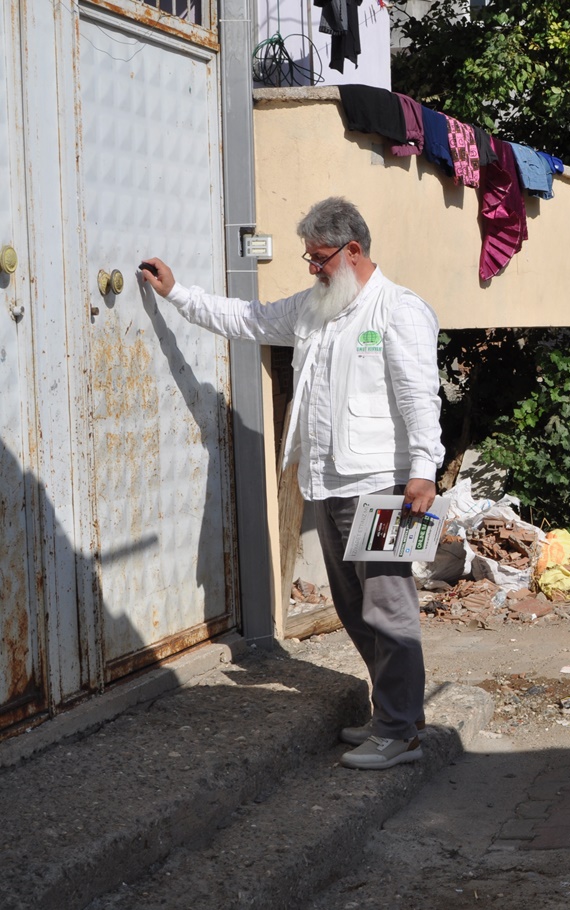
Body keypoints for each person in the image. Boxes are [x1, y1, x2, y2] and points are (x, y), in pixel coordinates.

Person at [140, 197, 443, 771]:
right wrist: (178, 293)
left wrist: (424, 471)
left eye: (319, 258)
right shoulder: (314, 307)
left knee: (389, 609)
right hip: (326, 482)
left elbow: (419, 397)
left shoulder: (399, 310)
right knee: (354, 609)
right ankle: (397, 715)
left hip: (385, 486)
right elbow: (248, 319)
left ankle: (399, 733)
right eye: (309, 258)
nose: (312, 268)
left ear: (353, 250)